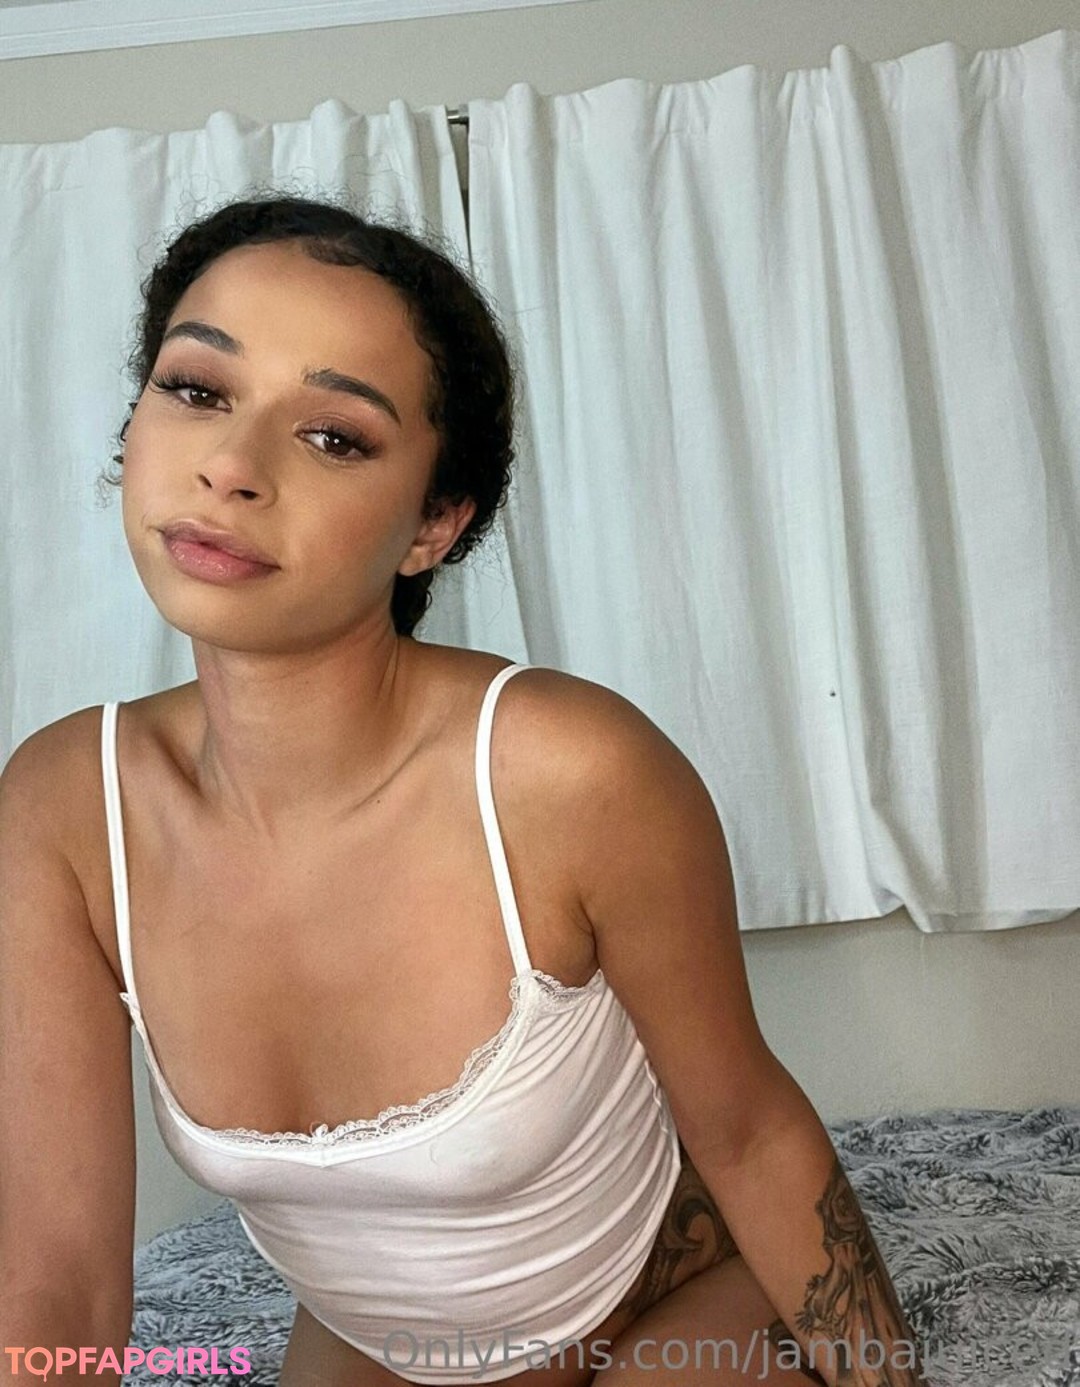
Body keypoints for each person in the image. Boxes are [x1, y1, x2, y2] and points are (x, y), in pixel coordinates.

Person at [0, 194, 929, 1387]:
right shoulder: (64, 810)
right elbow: (59, 1277)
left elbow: (751, 1132)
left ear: (433, 525)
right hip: (384, 1349)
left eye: (334, 436)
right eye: (196, 388)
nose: (230, 466)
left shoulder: (570, 770)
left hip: (672, 1302)